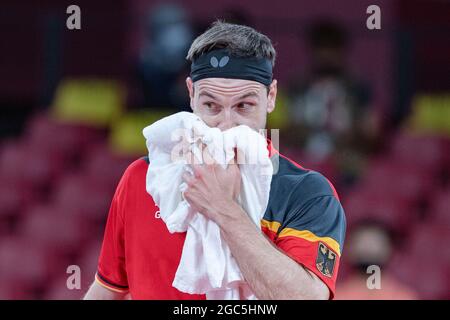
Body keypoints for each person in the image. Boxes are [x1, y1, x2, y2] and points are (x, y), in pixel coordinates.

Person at [84, 21, 346, 300]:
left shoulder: (307, 193)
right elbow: (108, 289)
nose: (226, 125)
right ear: (191, 94)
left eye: (244, 106)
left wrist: (223, 208)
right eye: (211, 106)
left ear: (271, 97)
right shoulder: (142, 178)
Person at [335, 219, 417, 300]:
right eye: (362, 242)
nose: (368, 249)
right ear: (348, 249)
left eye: (374, 243)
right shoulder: (335, 295)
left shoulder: (403, 296)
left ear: (390, 250)